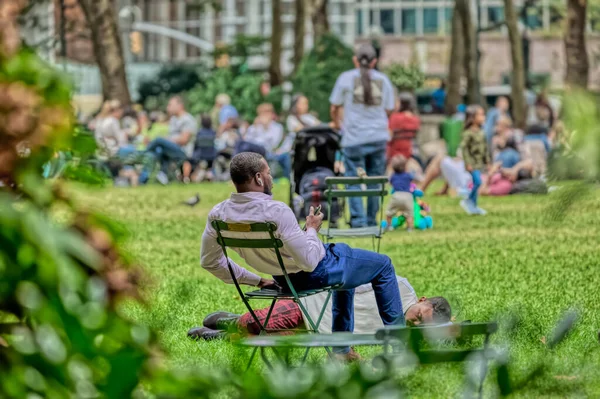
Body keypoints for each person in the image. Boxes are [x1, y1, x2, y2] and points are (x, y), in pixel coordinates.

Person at [200, 152, 404, 361]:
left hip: (284, 281)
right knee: (384, 266)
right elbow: (309, 262)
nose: (271, 179)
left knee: (351, 274)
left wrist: (258, 280)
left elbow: (209, 261)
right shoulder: (276, 211)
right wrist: (312, 230)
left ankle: (342, 351)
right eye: (268, 173)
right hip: (318, 273)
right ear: (259, 178)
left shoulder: (218, 214)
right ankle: (401, 348)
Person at [188, 276, 451, 340]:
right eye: (419, 316)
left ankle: (224, 335)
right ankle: (233, 321)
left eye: (421, 326)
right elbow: (346, 283)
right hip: (310, 305)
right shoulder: (398, 286)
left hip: (318, 332)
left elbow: (452, 331)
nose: (413, 323)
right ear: (421, 300)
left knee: (270, 340)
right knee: (252, 324)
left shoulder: (403, 334)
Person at [329, 44, 395, 227]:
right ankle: (372, 219)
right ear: (375, 61)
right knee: (375, 179)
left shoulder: (345, 78)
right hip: (378, 137)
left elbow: (334, 107)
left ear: (355, 60)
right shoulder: (384, 80)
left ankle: (358, 220)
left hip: (354, 139)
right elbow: (390, 109)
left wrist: (337, 123)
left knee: (353, 179)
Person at [143, 96, 198, 184]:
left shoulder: (188, 119)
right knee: (158, 150)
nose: (168, 107)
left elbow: (184, 140)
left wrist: (168, 139)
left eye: (170, 105)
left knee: (158, 140)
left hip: (183, 151)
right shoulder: (174, 119)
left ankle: (142, 154)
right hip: (172, 149)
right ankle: (153, 177)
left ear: (180, 105)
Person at [244, 103, 291, 179]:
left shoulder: (277, 127)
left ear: (272, 114)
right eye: (263, 113)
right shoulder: (255, 127)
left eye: (267, 113)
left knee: (286, 157)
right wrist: (256, 127)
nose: (265, 115)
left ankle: (287, 178)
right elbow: (247, 141)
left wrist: (266, 127)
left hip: (271, 152)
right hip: (256, 152)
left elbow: (274, 143)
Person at [459, 105, 490, 215]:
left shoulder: (482, 133)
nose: (483, 117)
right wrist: (467, 162)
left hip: (479, 162)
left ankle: (473, 205)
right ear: (472, 117)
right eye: (481, 114)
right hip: (472, 162)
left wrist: (487, 161)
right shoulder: (468, 133)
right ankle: (468, 200)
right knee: (478, 181)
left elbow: (485, 148)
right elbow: (464, 149)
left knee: (477, 182)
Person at [387, 92, 421, 163]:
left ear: (402, 104)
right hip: (410, 152)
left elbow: (388, 136)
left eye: (397, 102)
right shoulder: (416, 119)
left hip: (394, 153)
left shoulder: (395, 117)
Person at [385, 155, 414, 232]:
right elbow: (412, 178)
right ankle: (409, 228)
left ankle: (389, 226)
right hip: (408, 196)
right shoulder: (408, 175)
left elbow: (390, 183)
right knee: (409, 214)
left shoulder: (393, 176)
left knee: (389, 212)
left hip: (397, 195)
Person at [190, 114, 217, 182]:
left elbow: (195, 144)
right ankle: (210, 174)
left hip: (200, 155)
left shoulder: (199, 132)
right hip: (211, 155)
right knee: (210, 165)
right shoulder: (213, 132)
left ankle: (196, 176)